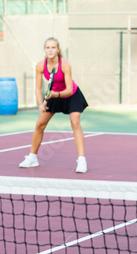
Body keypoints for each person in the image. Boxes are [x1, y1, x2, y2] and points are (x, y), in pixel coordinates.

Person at [19, 37, 88, 173]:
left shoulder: (65, 65)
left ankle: (82, 161)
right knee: (40, 125)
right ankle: (32, 158)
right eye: (48, 47)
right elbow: (38, 88)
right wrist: (41, 104)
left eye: (53, 47)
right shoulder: (40, 66)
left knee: (75, 123)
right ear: (45, 49)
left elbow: (68, 89)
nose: (50, 50)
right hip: (53, 94)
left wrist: (55, 95)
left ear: (58, 50)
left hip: (71, 94)